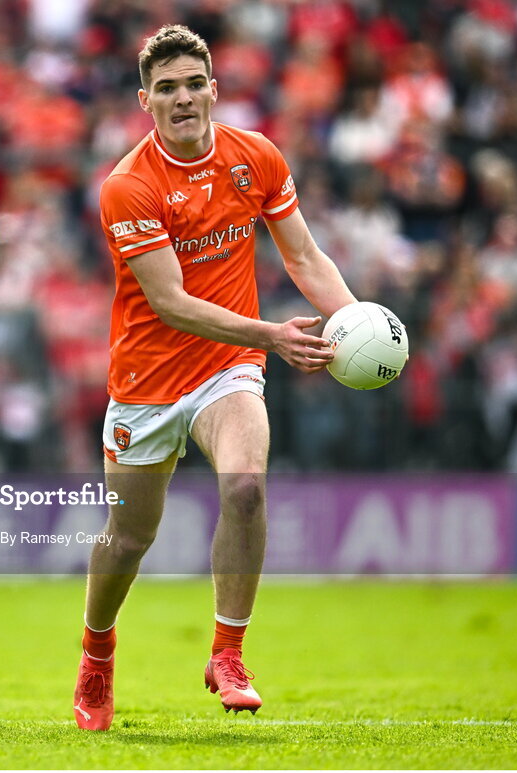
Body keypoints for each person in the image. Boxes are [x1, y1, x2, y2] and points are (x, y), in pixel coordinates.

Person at [72, 25, 356, 731]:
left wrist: (355, 321)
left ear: (214, 89)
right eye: (165, 87)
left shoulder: (255, 156)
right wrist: (272, 333)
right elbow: (169, 301)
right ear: (145, 100)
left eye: (193, 83)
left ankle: (228, 652)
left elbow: (305, 256)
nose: (183, 97)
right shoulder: (129, 186)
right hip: (148, 379)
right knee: (129, 536)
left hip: (229, 368)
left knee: (246, 488)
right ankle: (97, 653)